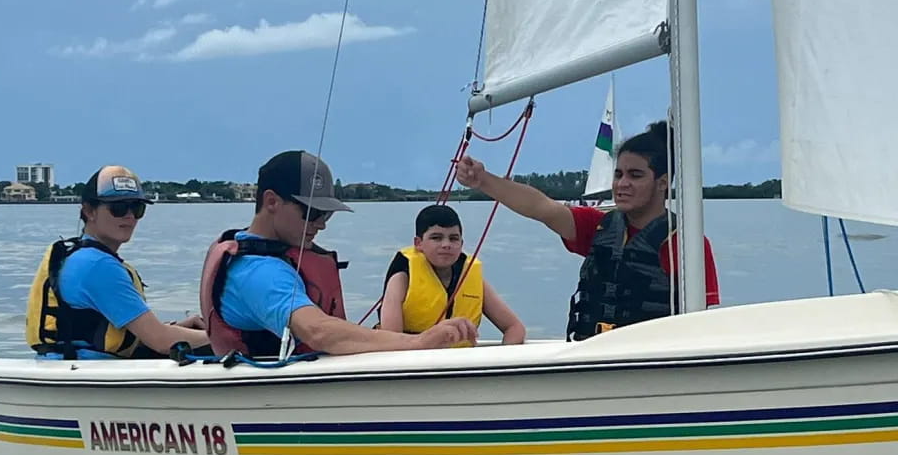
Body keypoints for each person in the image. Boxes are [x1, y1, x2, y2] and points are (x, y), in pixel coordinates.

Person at [455, 120, 719, 340]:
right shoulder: (598, 226)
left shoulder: (687, 245)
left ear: (662, 183)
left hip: (649, 364)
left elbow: (703, 322)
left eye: (635, 175)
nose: (622, 183)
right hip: (591, 355)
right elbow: (541, 207)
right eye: (618, 174)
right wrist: (484, 181)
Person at [200, 150, 476, 356]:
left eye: (327, 214)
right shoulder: (259, 273)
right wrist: (420, 342)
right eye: (314, 212)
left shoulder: (270, 255)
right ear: (272, 201)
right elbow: (318, 331)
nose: (321, 224)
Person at [26, 165, 209, 359]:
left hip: (70, 365)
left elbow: (137, 332)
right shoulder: (98, 266)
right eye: (118, 208)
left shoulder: (80, 257)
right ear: (89, 211)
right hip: (88, 374)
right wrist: (223, 337)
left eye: (137, 208)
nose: (129, 216)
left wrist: (182, 327)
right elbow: (161, 341)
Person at [379, 204, 525, 347]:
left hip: (459, 362)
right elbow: (391, 339)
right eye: (436, 237)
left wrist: (500, 363)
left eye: (453, 238)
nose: (446, 244)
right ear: (419, 243)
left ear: (461, 244)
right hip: (412, 362)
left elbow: (514, 328)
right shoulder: (402, 278)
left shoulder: (469, 277)